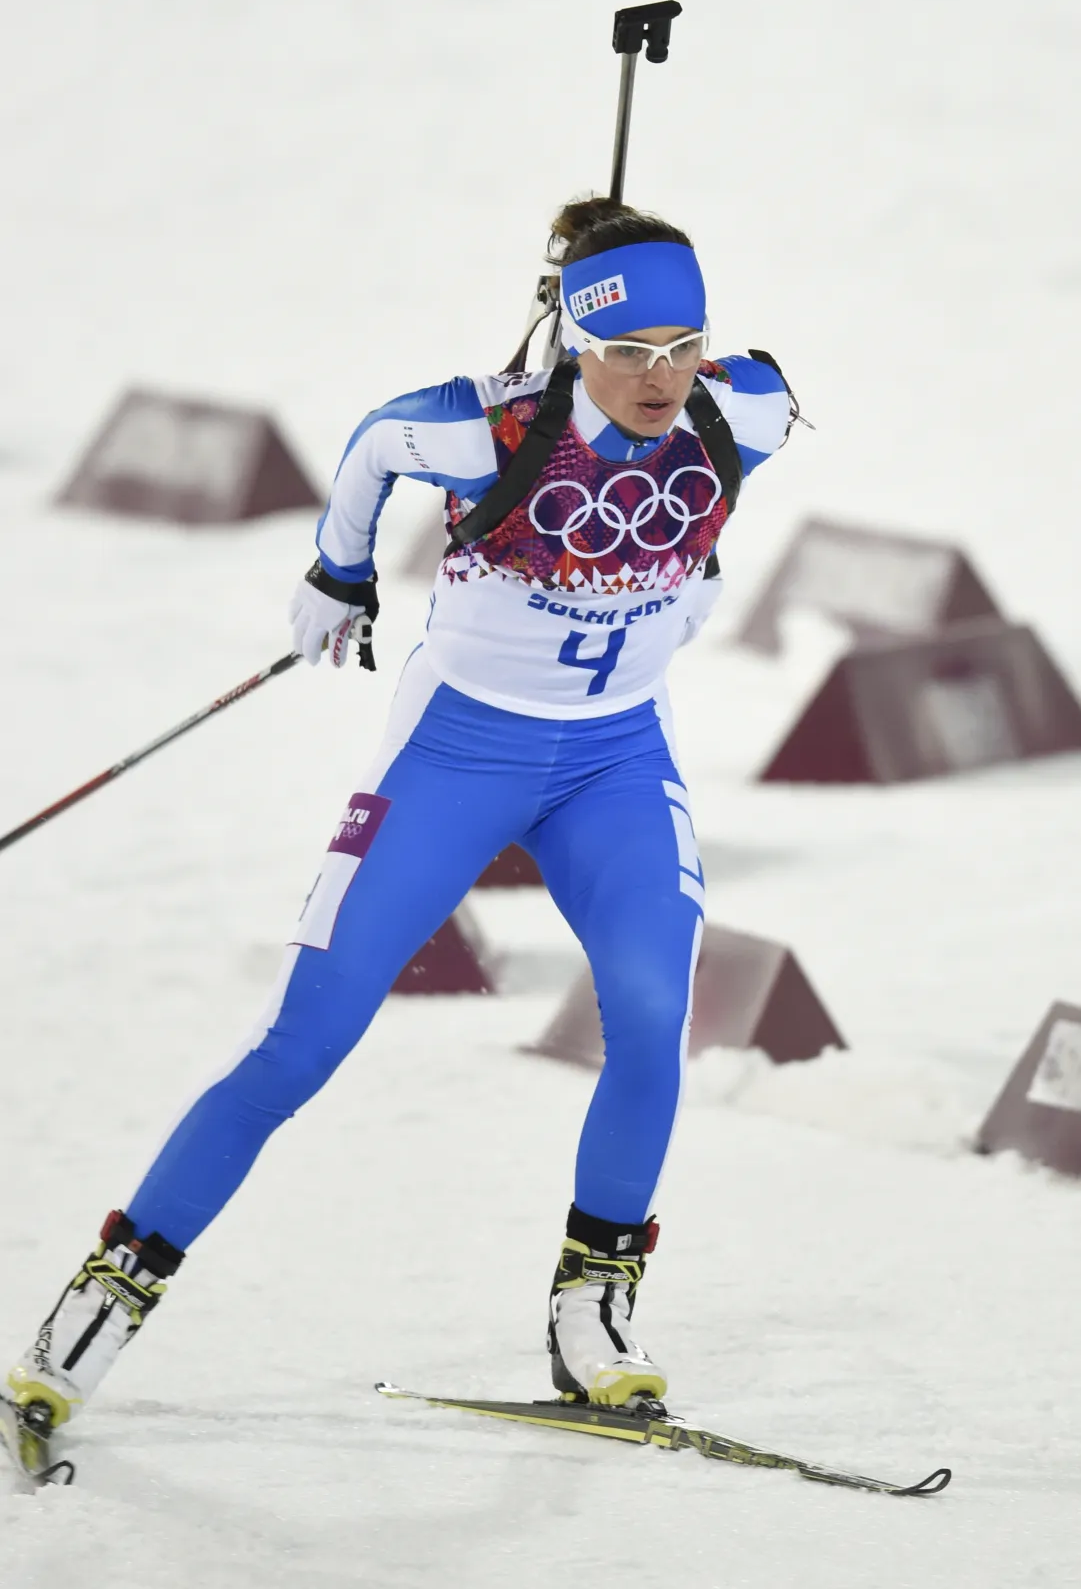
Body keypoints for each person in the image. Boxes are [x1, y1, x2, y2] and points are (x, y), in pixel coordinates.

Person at [2, 196, 796, 1475]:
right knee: (302, 1044)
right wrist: (338, 572)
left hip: (614, 760)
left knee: (653, 1016)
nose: (660, 378)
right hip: (453, 761)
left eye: (681, 344)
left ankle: (589, 1307)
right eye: (629, 349)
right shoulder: (490, 430)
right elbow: (374, 445)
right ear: (574, 339)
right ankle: (97, 1305)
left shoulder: (737, 407)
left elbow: (734, 403)